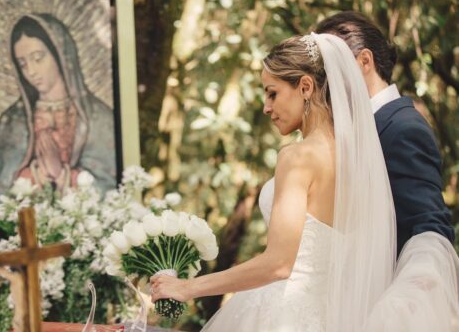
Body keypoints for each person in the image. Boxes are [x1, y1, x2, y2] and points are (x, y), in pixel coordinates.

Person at [150, 33, 398, 331]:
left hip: (284, 316)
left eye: (272, 93)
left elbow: (278, 264)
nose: (267, 107)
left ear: (305, 87)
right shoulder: (358, 161)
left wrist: (187, 287)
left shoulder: (298, 157)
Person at [315, 11, 455, 256]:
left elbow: (429, 230)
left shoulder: (403, 129)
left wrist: (403, 294)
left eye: (328, 70)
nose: (322, 83)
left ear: (365, 62)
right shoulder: (347, 131)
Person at [0, 14, 117, 209]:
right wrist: (38, 175)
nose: (31, 71)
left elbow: (112, 190)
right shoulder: (11, 123)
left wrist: (64, 176)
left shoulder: (99, 118)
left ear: (61, 55)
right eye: (22, 64)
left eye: (38, 58)